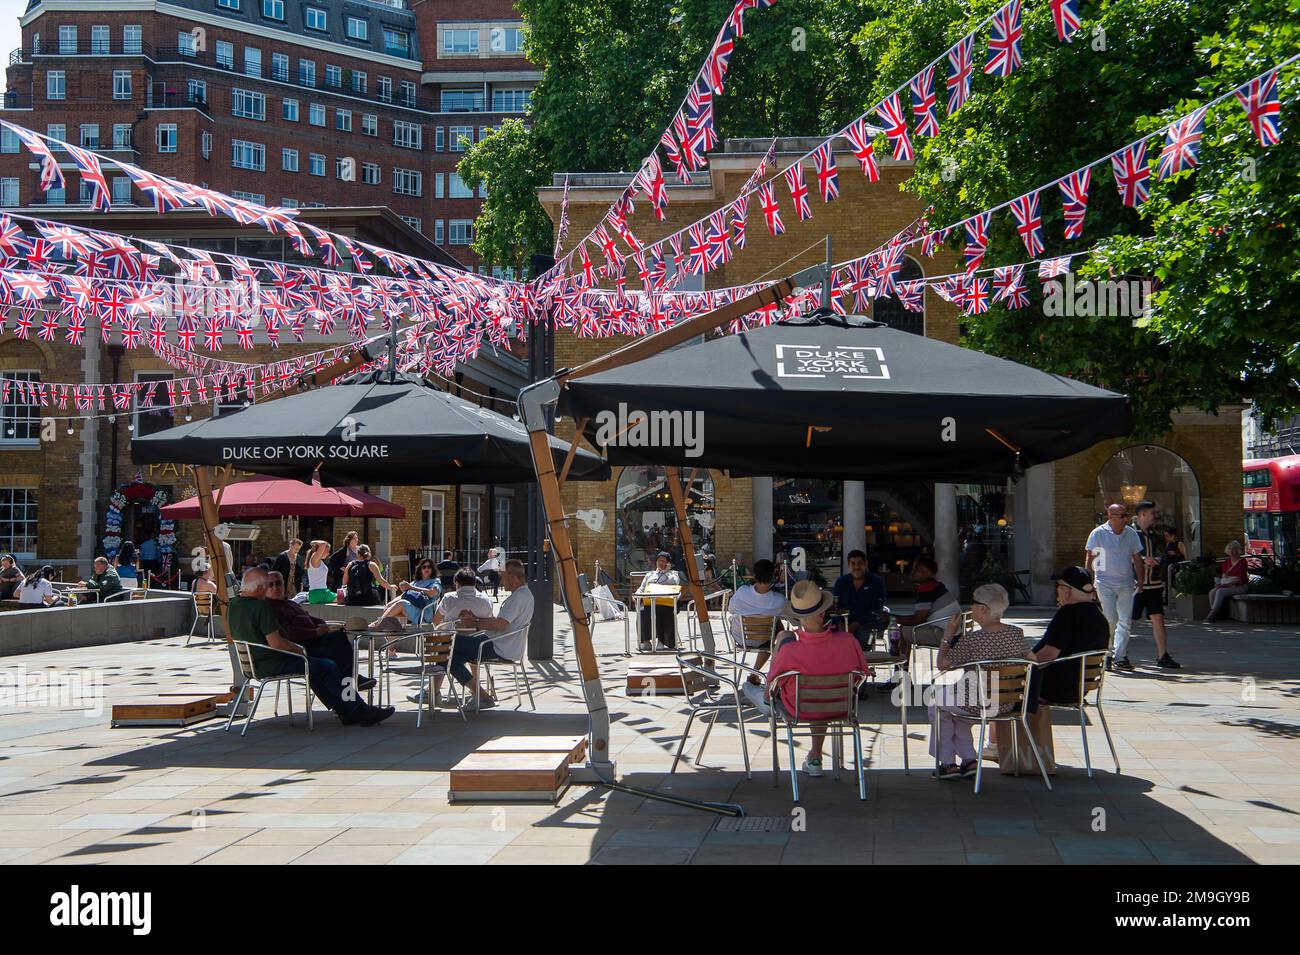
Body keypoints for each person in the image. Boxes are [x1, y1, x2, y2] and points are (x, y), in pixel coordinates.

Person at [227, 568, 392, 726]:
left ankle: (348, 709)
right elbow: (277, 643)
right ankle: (356, 709)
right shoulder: (261, 607)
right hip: (274, 661)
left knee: (326, 661)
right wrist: (299, 650)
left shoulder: (234, 605)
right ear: (260, 588)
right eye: (268, 586)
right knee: (327, 666)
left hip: (255, 662)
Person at [742, 580, 868, 778]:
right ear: (823, 611)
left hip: (799, 708)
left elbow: (772, 691)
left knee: (764, 695)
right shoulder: (849, 642)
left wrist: (781, 642)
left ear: (796, 616)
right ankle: (815, 757)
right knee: (820, 697)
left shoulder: (789, 649)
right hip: (840, 706)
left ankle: (750, 689)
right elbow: (863, 673)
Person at [927, 584, 1027, 780]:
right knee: (958, 714)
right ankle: (968, 760)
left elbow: (942, 664)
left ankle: (947, 762)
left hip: (978, 703)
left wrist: (948, 634)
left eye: (973, 602)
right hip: (1007, 703)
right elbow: (1032, 660)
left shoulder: (973, 639)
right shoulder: (1017, 633)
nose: (970, 606)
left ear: (983, 608)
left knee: (935, 702)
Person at [263, 571, 376, 693]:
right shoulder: (269, 608)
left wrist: (322, 625)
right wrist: (316, 632)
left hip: (314, 639)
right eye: (271, 585)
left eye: (278, 583)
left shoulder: (290, 603)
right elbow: (289, 632)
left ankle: (350, 688)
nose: (275, 587)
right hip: (299, 647)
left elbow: (309, 618)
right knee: (334, 657)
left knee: (339, 638)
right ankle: (349, 692)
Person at [445, 558, 534, 710]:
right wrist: (476, 618)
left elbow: (500, 624)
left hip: (499, 647)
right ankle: (481, 696)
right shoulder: (524, 594)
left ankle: (482, 697)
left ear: (513, 578)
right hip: (500, 644)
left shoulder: (519, 597)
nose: (500, 581)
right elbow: (500, 621)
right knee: (448, 655)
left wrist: (475, 623)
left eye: (503, 577)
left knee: (445, 646)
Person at [1028, 566, 1111, 706]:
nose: (1057, 591)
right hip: (1078, 688)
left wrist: (1021, 667)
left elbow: (1049, 654)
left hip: (1056, 688)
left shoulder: (1068, 614)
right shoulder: (1099, 616)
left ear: (1067, 591)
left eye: (1058, 586)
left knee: (1002, 689)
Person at [1085, 503, 1144, 672]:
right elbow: (1091, 558)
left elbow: (1137, 557)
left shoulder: (1131, 534)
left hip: (1126, 582)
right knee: (1111, 619)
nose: (1126, 518)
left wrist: (1140, 580)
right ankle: (1108, 654)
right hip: (1105, 582)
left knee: (1126, 621)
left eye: (1126, 515)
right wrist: (1089, 582)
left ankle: (1120, 655)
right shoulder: (1098, 534)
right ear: (1110, 516)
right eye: (1122, 515)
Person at [1131, 501, 1180, 669]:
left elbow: (1165, 554)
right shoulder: (1130, 533)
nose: (1155, 516)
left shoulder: (1154, 534)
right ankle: (1116, 653)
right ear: (1143, 514)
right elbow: (1124, 554)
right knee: (1128, 620)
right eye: (1152, 513)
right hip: (1136, 584)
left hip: (1154, 583)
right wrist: (1144, 560)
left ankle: (1162, 655)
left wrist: (1159, 560)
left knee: (1158, 618)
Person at [727, 558, 787, 680]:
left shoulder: (741, 592)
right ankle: (757, 671)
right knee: (778, 628)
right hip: (764, 639)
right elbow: (793, 619)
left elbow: (730, 610)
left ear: (754, 575)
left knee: (773, 629)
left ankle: (754, 673)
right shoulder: (779, 601)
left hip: (741, 637)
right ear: (773, 577)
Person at [895, 556, 960, 655]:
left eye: (917, 570)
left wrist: (893, 619)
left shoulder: (927, 588)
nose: (912, 573)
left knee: (900, 632)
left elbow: (918, 619)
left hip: (945, 635)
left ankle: (901, 668)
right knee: (904, 629)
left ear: (928, 573)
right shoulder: (937, 586)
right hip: (955, 633)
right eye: (913, 569)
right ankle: (901, 668)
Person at [831, 549, 887, 649]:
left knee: (863, 633)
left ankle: (862, 661)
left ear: (866, 564)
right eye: (853, 563)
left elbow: (877, 609)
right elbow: (835, 606)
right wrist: (841, 625)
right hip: (843, 621)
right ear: (848, 565)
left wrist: (855, 625)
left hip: (868, 622)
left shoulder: (876, 582)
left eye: (860, 563)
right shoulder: (841, 582)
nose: (856, 567)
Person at [372, 559, 442, 627]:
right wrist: (390, 604)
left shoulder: (435, 581)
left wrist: (411, 588)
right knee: (392, 610)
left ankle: (377, 624)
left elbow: (432, 592)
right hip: (413, 609)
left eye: (429, 567)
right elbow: (404, 595)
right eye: (424, 567)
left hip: (425, 613)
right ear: (420, 569)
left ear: (432, 569)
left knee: (402, 603)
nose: (426, 568)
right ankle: (393, 636)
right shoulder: (415, 582)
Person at [636, 551, 680, 651]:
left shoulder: (673, 575)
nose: (660, 563)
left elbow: (674, 583)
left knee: (660, 610)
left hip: (666, 604)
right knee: (642, 612)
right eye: (659, 560)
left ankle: (662, 640)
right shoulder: (650, 574)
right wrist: (636, 595)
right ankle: (645, 641)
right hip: (650, 602)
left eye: (663, 561)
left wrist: (665, 572)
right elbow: (641, 588)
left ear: (668, 563)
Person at [1206, 540, 1249, 622]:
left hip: (1240, 586)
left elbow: (1240, 578)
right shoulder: (1226, 562)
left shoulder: (1243, 562)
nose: (1233, 551)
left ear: (1238, 550)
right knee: (1212, 592)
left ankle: (1213, 613)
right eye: (1231, 549)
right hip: (1228, 585)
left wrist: (1227, 581)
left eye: (1235, 549)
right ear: (1228, 551)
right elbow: (1224, 577)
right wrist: (1224, 582)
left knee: (1220, 591)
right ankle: (1217, 612)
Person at [300, 540, 336, 604]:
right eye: (327, 551)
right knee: (344, 597)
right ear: (321, 550)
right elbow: (323, 544)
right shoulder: (314, 559)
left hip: (317, 594)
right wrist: (313, 542)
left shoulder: (317, 560)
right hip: (320, 593)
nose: (328, 553)